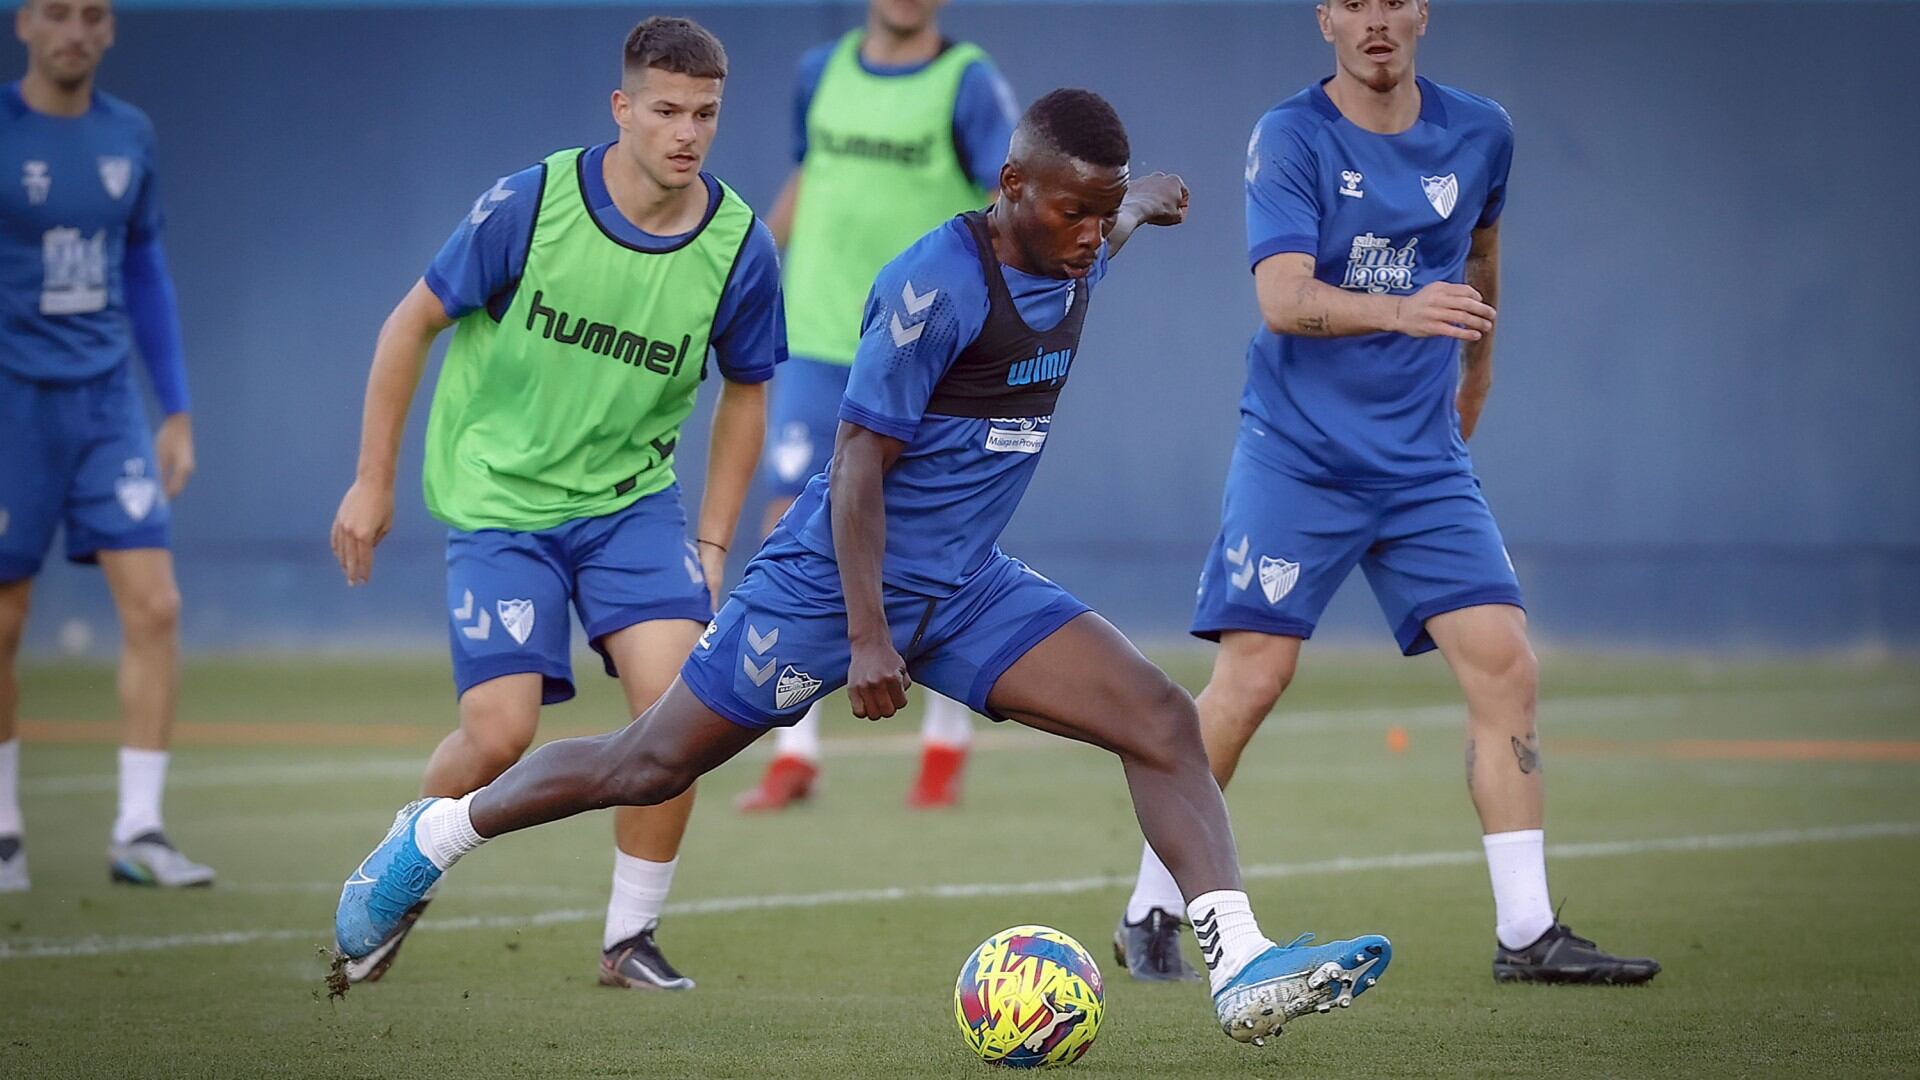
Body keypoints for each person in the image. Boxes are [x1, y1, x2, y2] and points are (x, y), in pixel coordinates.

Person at [336, 89, 1394, 1046]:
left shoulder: (1081, 243)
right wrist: (868, 634)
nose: (1085, 234)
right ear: (1008, 189)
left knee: (1162, 720)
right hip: (828, 588)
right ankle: (434, 834)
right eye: (1070, 211)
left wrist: (1142, 203)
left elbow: (1107, 226)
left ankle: (1241, 964)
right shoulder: (936, 285)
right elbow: (853, 471)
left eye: (1097, 212)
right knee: (647, 765)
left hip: (965, 587)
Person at [1115, 0, 1660, 986]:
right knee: (1252, 682)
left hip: (1421, 462)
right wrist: (1400, 313)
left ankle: (1527, 933)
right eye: (1352, 2)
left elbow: (1483, 259)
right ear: (1325, 18)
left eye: (1393, 0)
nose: (1376, 20)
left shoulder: (1481, 131)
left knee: (1507, 665)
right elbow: (1282, 298)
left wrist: (1479, 378)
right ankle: (1153, 902)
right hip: (1298, 456)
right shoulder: (1291, 137)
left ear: (1424, 13)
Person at [326, 16, 780, 990]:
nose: (685, 132)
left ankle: (629, 939)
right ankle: (408, 865)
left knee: (680, 718)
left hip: (630, 506)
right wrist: (373, 478)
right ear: (623, 109)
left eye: (704, 113)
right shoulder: (531, 205)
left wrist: (711, 536)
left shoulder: (739, 244)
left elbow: (750, 390)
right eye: (664, 110)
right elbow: (408, 326)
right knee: (500, 733)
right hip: (502, 502)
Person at [737, 0, 1019, 812]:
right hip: (820, 334)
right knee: (790, 517)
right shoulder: (818, 74)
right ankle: (794, 746)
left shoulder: (966, 85)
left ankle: (944, 743)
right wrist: (748, 257)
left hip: (927, 341)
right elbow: (811, 179)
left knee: (935, 526)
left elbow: (1007, 202)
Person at [0, 0, 211, 891]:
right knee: (6, 619)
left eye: (93, 15)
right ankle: (5, 832)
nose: (75, 30)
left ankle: (140, 830)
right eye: (57, 13)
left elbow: (144, 264)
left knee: (156, 607)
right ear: (24, 27)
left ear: (111, 31)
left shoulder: (132, 136)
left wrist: (175, 408)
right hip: (11, 405)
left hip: (105, 407)